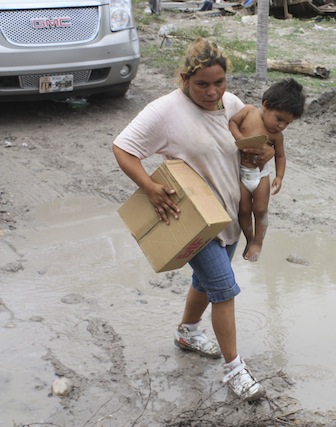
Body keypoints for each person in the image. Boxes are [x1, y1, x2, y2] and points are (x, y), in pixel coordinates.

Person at [111, 38, 274, 402]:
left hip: (230, 216)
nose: (212, 91)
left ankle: (187, 331)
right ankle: (235, 370)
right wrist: (151, 187)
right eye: (203, 84)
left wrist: (259, 154)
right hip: (194, 221)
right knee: (224, 289)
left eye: (219, 82)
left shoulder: (230, 105)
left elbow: (249, 145)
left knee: (205, 282)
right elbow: (123, 148)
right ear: (185, 78)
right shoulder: (164, 112)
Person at [229, 78, 305, 262]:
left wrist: (279, 176)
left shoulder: (276, 136)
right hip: (241, 174)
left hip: (260, 175)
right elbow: (232, 122)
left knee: (261, 209)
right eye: (279, 119)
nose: (281, 126)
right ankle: (249, 239)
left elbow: (280, 156)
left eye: (287, 123)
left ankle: (258, 242)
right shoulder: (248, 112)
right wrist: (240, 140)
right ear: (266, 105)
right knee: (244, 209)